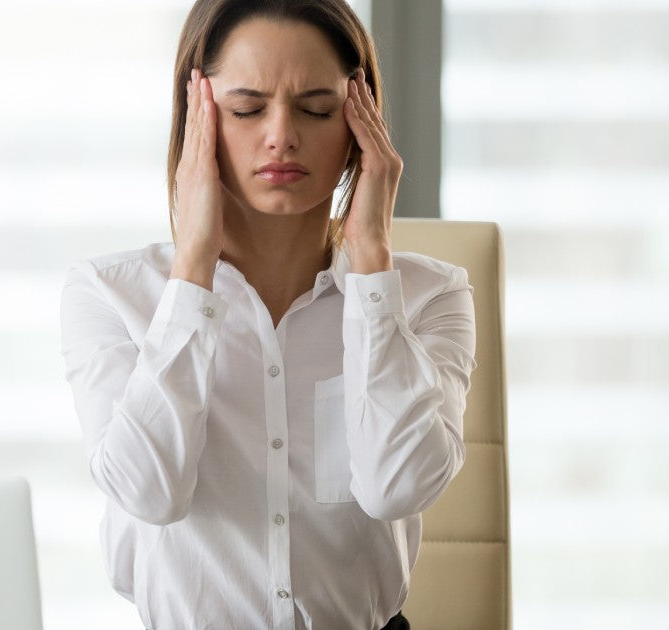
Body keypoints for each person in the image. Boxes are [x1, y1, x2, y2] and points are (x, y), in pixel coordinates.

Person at [59, 1, 476, 628]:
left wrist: (370, 265)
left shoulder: (430, 296)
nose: (281, 134)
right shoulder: (110, 294)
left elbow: (399, 486)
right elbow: (149, 491)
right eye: (247, 109)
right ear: (198, 113)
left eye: (316, 109)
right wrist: (193, 267)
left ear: (362, 123)